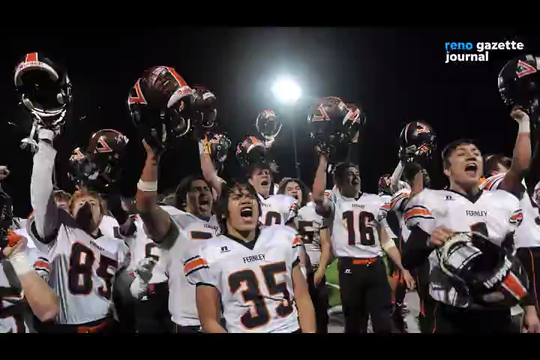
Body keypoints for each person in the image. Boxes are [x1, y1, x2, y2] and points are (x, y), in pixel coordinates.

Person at [402, 134, 540, 333]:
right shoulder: (431, 200)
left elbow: (512, 261)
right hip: (453, 313)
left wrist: (529, 307)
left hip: (497, 311)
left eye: (475, 153)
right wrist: (428, 243)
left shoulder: (503, 202)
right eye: (462, 154)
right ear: (447, 169)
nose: (471, 157)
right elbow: (408, 258)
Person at [27, 127, 131, 333]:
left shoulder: (116, 246)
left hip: (107, 326)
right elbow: (40, 196)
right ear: (70, 211)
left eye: (93, 201)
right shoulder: (60, 232)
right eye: (81, 201)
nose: (87, 204)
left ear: (103, 213)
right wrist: (46, 141)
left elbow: (125, 297)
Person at [185, 180, 316, 333]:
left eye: (250, 196)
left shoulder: (282, 237)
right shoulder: (208, 253)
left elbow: (302, 297)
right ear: (223, 211)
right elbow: (209, 321)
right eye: (237, 197)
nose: (246, 200)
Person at [312, 157, 414, 333]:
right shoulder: (335, 204)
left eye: (357, 174)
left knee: (383, 323)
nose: (355, 178)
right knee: (355, 325)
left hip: (375, 267)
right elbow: (318, 196)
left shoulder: (374, 200)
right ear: (339, 181)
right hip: (350, 270)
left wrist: (403, 268)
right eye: (350, 175)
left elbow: (386, 241)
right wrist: (322, 162)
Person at [134, 140, 220, 333]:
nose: (203, 192)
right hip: (189, 322)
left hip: (224, 317)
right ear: (184, 199)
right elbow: (146, 205)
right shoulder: (177, 220)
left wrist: (205, 150)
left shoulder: (222, 223)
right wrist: (153, 161)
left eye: (206, 188)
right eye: (196, 190)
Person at [279, 177, 332, 333]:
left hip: (315, 273)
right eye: (290, 189)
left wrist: (320, 272)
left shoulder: (314, 211)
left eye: (297, 188)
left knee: (321, 320)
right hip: (292, 276)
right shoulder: (278, 216)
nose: (295, 191)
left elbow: (326, 244)